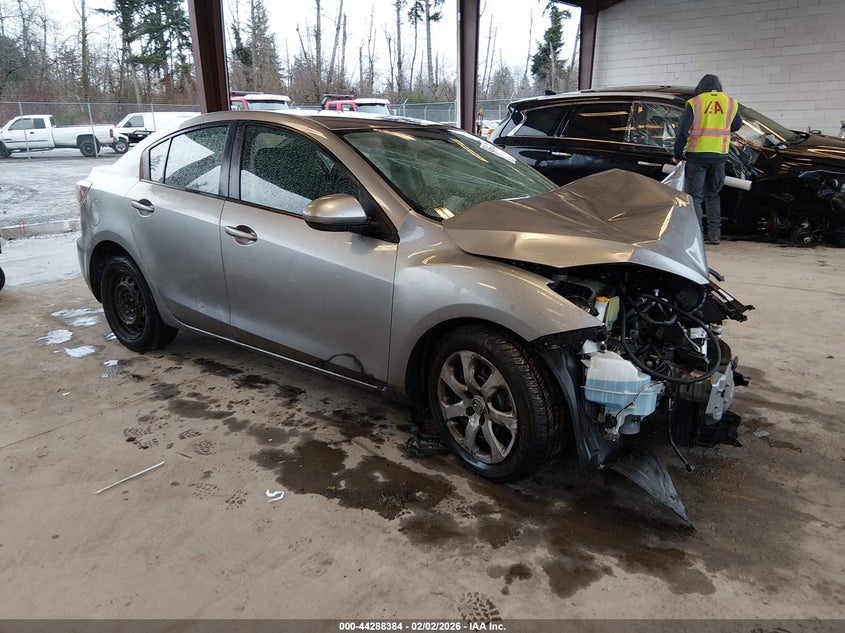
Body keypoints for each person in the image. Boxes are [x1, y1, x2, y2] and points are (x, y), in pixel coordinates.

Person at [673, 74, 742, 245]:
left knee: (695, 197)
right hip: (719, 156)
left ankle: (697, 234)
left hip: (697, 156)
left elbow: (682, 131)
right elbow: (737, 125)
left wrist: (676, 153)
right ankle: (714, 234)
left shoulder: (695, 102)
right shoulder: (731, 103)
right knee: (713, 196)